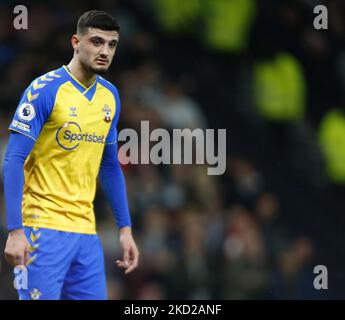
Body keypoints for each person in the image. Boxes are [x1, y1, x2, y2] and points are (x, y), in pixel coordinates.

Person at [2, 10, 139, 300]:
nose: (104, 51)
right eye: (96, 41)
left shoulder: (110, 96)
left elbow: (110, 165)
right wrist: (15, 231)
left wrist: (125, 228)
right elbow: (13, 159)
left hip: (86, 233)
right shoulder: (45, 89)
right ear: (75, 41)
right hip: (42, 229)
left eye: (111, 45)